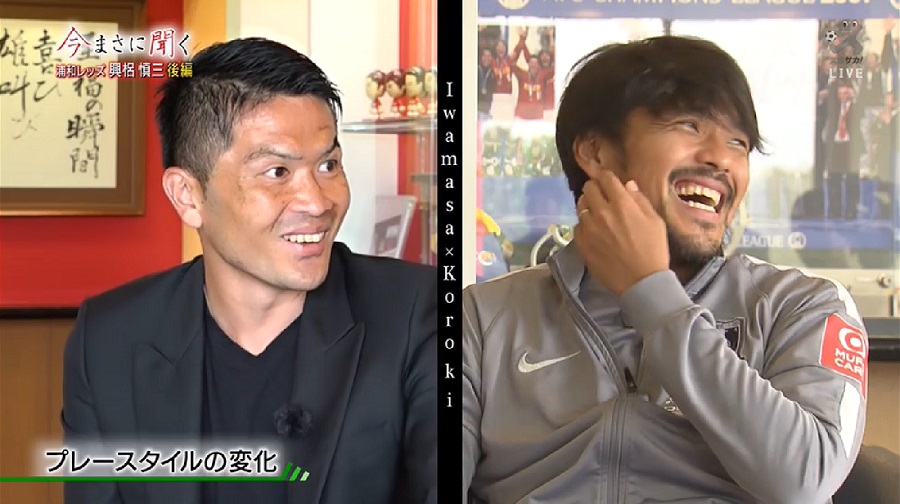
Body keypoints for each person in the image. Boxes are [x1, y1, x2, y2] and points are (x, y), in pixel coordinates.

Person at [462, 36, 868, 504]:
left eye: (738, 142)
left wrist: (652, 295)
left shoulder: (801, 306)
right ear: (595, 151)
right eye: (690, 125)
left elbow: (805, 478)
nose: (721, 158)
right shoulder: (483, 317)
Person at [61, 38, 437, 504]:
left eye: (328, 165)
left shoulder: (417, 314)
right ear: (187, 196)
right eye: (277, 172)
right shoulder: (109, 339)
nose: (318, 202)